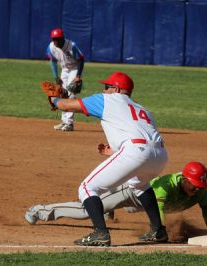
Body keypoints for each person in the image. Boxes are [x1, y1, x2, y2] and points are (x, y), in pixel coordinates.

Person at [34, 71, 169, 246]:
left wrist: (54, 100)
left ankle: (100, 233)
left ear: (116, 89)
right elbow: (143, 138)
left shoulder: (107, 100)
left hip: (136, 152)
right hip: (160, 155)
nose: (104, 90)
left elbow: (67, 106)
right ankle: (158, 230)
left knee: (87, 188)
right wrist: (116, 152)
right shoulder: (142, 109)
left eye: (107, 87)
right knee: (140, 184)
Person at [25, 161, 207, 236]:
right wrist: (161, 231)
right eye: (194, 185)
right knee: (88, 211)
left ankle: (108, 206)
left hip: (141, 204)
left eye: (200, 186)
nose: (196, 189)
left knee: (127, 208)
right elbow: (157, 211)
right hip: (131, 193)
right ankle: (40, 211)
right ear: (184, 179)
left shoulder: (199, 192)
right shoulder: (166, 186)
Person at [46, 28, 84, 131]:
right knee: (62, 93)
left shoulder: (72, 46)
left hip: (75, 68)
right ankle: (64, 121)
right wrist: (56, 77)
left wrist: (78, 76)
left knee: (71, 93)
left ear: (62, 38)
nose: (55, 41)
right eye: (54, 39)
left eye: (58, 39)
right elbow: (52, 61)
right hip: (65, 69)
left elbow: (81, 59)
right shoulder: (52, 47)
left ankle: (69, 123)